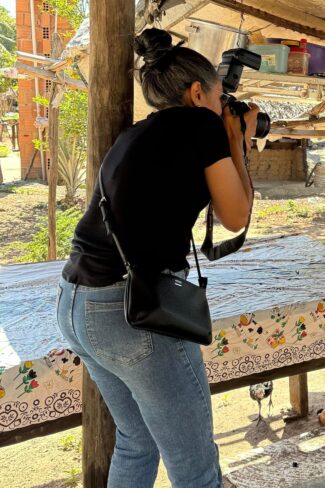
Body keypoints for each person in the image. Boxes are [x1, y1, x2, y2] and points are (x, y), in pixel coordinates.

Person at [56, 29, 259, 487]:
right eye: (217, 98)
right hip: (130, 312)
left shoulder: (137, 135)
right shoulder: (202, 125)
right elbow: (235, 216)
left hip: (76, 303)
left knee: (137, 440)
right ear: (196, 92)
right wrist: (237, 140)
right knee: (195, 469)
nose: (221, 107)